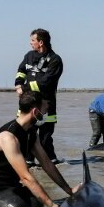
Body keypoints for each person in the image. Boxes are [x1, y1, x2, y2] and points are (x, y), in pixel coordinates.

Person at [0, 91, 80, 207]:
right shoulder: (8, 137)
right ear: (35, 112)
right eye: (45, 111)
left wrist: (69, 190)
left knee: (39, 206)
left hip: (15, 186)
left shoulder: (31, 133)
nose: (46, 114)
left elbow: (47, 163)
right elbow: (25, 177)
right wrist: (52, 205)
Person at [14, 28, 63, 165]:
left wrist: (24, 88)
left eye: (33, 40)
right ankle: (29, 162)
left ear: (41, 42)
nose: (30, 43)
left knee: (45, 138)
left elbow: (46, 82)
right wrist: (18, 84)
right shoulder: (29, 56)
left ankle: (51, 163)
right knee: (26, 135)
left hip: (46, 105)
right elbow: (21, 71)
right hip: (28, 104)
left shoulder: (55, 60)